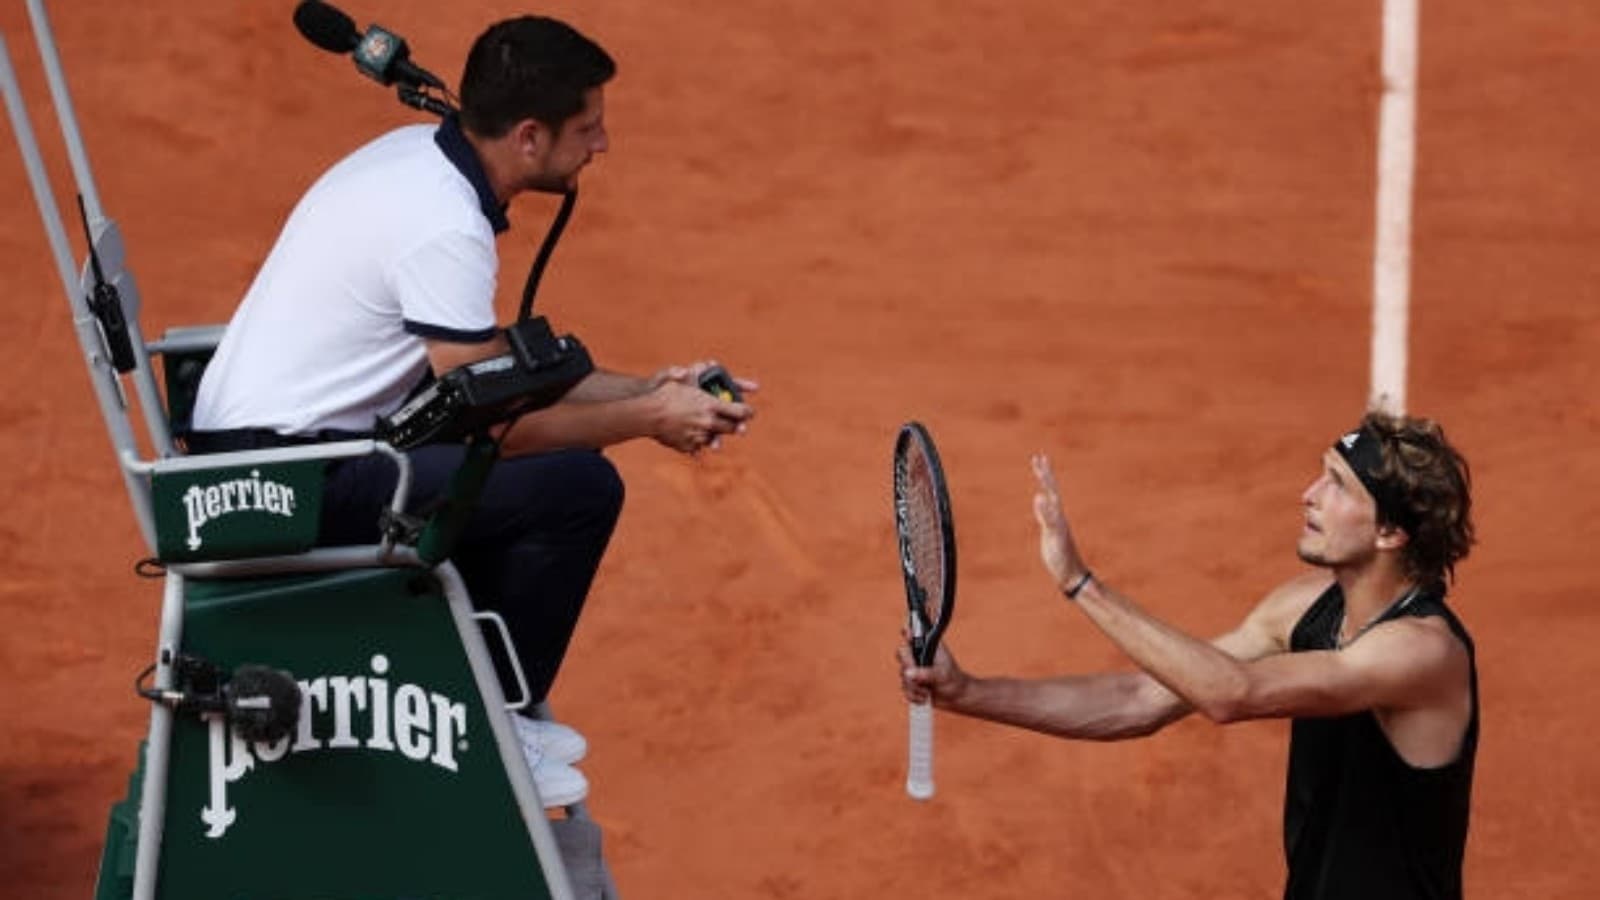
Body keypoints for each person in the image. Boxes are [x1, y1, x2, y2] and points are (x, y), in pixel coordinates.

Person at [190, 15, 755, 807]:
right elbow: (498, 428)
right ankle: (487, 719)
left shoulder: (417, 161)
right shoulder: (446, 227)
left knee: (514, 473)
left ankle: (472, 689)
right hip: (281, 482)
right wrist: (649, 422)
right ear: (529, 137)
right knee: (575, 490)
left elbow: (491, 378)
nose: (601, 146)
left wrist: (648, 387)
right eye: (588, 129)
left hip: (277, 449)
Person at [899, 411, 1477, 900]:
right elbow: (1140, 699)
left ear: (1389, 533)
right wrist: (970, 693)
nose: (1309, 493)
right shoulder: (1303, 606)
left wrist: (1081, 584)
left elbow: (1232, 693)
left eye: (1338, 484)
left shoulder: (1420, 653)